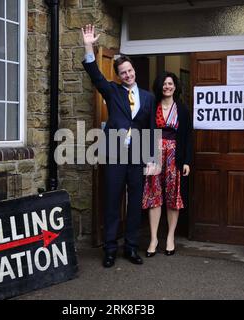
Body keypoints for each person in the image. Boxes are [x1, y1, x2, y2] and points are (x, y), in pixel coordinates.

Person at [81, 24, 158, 268]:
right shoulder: (112, 91)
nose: (128, 75)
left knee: (135, 203)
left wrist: (152, 158)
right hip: (114, 154)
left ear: (134, 70)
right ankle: (111, 249)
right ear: (118, 75)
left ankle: (132, 247)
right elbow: (94, 74)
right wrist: (88, 45)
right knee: (112, 202)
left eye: (130, 70)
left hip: (137, 157)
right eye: (123, 72)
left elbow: (151, 129)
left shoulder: (148, 97)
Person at [142, 71, 192, 257]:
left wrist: (187, 160)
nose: (167, 86)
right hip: (154, 155)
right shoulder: (152, 106)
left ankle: (170, 237)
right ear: (159, 86)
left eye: (170, 83)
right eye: (164, 84)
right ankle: (153, 238)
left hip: (174, 157)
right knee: (154, 196)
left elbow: (188, 136)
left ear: (175, 86)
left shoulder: (183, 109)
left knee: (173, 198)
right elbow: (145, 132)